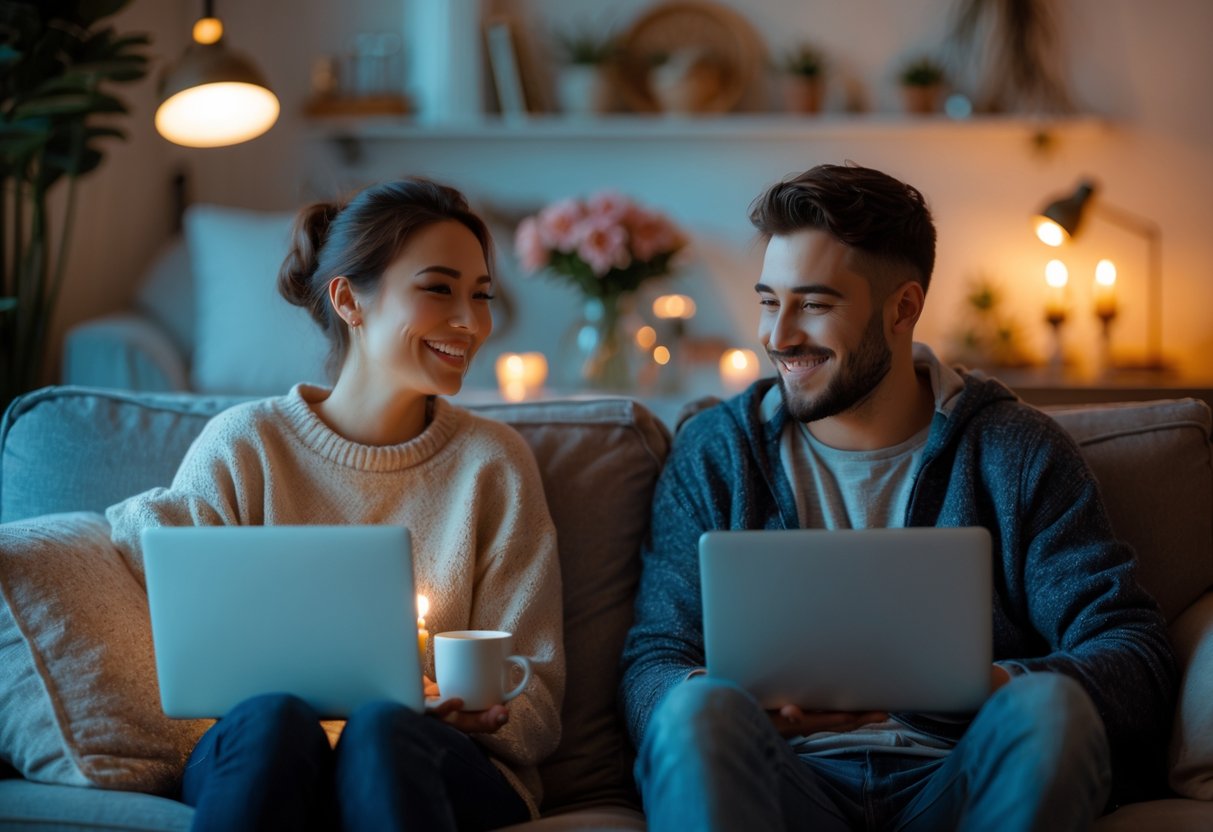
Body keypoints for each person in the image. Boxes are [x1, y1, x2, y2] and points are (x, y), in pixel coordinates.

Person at [619, 163, 1176, 832]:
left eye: (814, 304)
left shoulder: (1014, 450)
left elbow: (1133, 655)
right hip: (781, 781)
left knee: (1046, 708)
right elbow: (653, 661)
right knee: (692, 711)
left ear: (903, 307)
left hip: (962, 779)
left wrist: (990, 688)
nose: (776, 335)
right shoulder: (716, 452)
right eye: (769, 300)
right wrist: (726, 700)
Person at [106, 178, 564, 831]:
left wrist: (481, 707)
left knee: (383, 726)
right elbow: (162, 576)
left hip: (439, 764)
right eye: (439, 289)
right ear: (348, 298)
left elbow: (539, 702)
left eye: (481, 295)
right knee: (271, 719)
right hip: (268, 753)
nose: (470, 321)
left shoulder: (494, 465)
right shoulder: (246, 445)